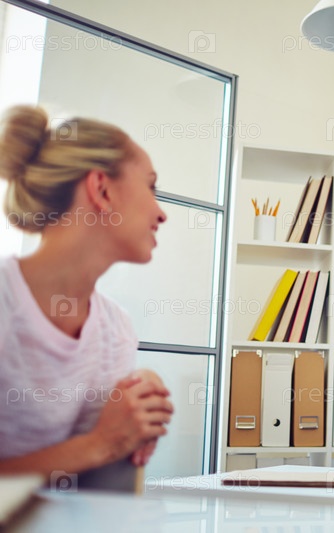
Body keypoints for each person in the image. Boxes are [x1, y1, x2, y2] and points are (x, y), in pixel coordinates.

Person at [0, 105, 174, 484]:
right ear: (101, 189)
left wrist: (135, 408)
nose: (163, 214)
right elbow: (97, 447)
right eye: (150, 185)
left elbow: (87, 479)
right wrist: (101, 443)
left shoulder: (116, 331)